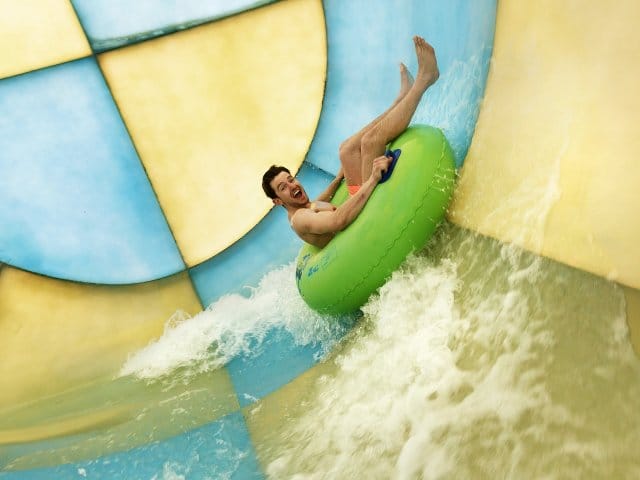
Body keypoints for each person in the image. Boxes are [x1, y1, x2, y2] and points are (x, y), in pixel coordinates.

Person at [262, 36, 439, 249]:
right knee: (371, 141)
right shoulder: (300, 219)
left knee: (346, 150)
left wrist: (339, 178)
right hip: (363, 223)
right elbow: (339, 221)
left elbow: (319, 200)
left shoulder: (303, 207)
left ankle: (400, 100)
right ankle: (425, 80)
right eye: (283, 187)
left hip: (356, 207)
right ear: (277, 201)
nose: (292, 185)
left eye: (291, 179)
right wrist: (372, 178)